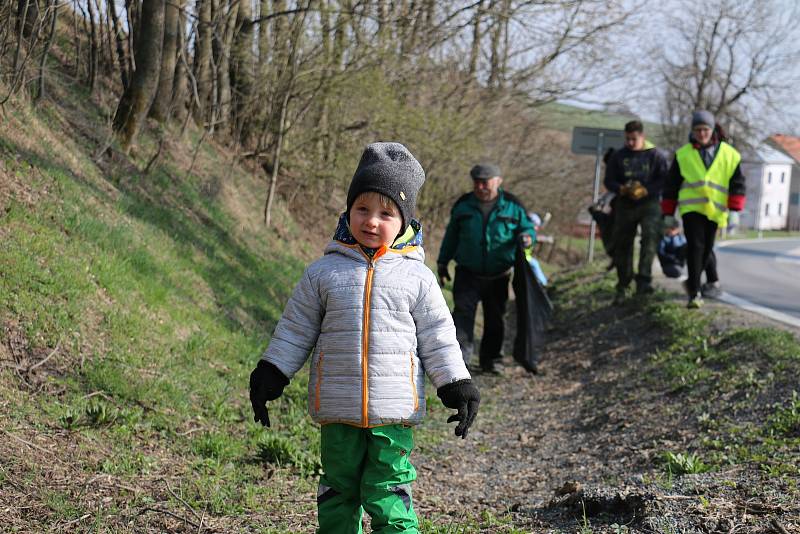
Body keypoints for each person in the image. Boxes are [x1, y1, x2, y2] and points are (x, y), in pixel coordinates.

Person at [249, 142, 481, 533]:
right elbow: (295, 328)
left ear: (405, 221)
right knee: (338, 489)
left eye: (386, 213)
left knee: (387, 490)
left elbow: (439, 337)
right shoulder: (324, 273)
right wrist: (272, 372)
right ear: (348, 212)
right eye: (362, 210)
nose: (371, 221)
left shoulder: (417, 279)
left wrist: (456, 384)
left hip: (394, 413)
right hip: (338, 408)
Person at [436, 163, 535, 374]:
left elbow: (527, 227)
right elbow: (451, 236)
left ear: (498, 181)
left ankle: (492, 361)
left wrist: (527, 238)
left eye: (485, 183)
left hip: (499, 275)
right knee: (462, 317)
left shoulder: (513, 205)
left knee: (495, 319)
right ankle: (459, 362)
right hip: (467, 273)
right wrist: (443, 262)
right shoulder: (463, 205)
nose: (480, 187)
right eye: (477, 183)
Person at [661, 111, 746, 308]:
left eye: (705, 129)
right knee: (696, 247)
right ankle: (694, 292)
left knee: (706, 249)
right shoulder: (683, 155)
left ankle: (695, 284)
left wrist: (735, 210)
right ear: (692, 131)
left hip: (715, 211)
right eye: (698, 130)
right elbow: (671, 185)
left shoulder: (729, 154)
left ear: (712, 130)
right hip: (692, 209)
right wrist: (668, 213)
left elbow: (738, 183)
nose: (702, 134)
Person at [604, 120, 669, 304]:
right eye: (627, 139)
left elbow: (664, 179)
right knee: (622, 243)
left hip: (649, 203)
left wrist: (647, 189)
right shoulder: (618, 156)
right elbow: (609, 180)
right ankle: (623, 284)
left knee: (650, 239)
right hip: (625, 204)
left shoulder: (655, 155)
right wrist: (622, 189)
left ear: (642, 137)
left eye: (634, 139)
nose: (630, 143)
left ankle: (644, 283)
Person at [525, 212, 549, 287]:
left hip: (526, 257)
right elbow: (526, 241)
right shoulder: (527, 233)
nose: (537, 228)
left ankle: (542, 282)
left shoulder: (531, 232)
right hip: (521, 258)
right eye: (536, 225)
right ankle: (543, 283)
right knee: (535, 264)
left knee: (534, 264)